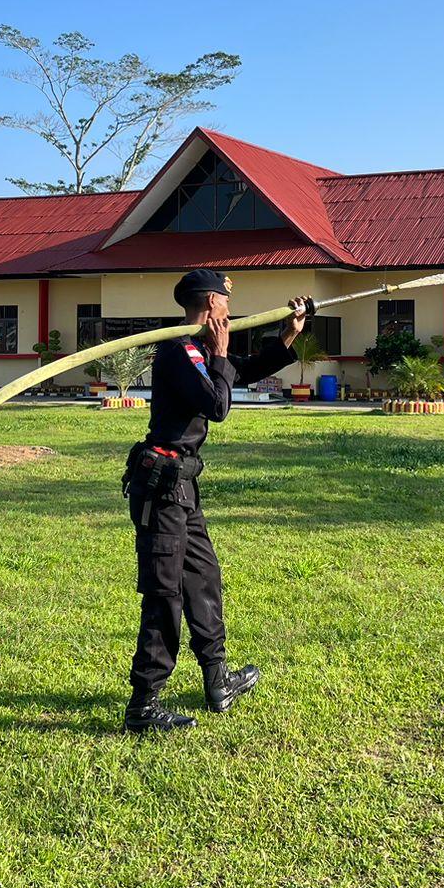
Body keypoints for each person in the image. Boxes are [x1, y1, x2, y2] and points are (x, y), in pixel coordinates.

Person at [122, 268, 308, 733]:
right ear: (210, 305)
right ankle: (144, 707)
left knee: (203, 580)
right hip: (161, 488)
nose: (229, 310)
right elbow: (218, 405)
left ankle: (217, 678)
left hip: (183, 487)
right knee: (165, 596)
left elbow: (240, 371)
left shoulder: (201, 351)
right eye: (224, 302)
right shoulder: (178, 352)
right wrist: (221, 354)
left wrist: (285, 338)